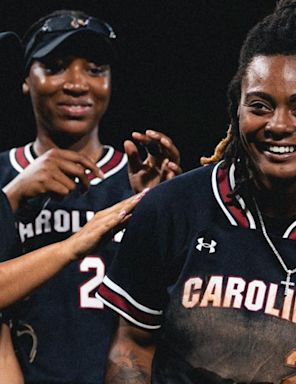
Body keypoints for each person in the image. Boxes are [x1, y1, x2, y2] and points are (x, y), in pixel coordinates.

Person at [97, 1, 296, 383]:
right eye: (260, 106)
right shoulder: (171, 209)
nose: (278, 125)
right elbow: (132, 347)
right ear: (237, 108)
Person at [0, 10, 181, 383]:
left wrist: (160, 212)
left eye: (95, 68)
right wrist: (10, 198)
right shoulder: (4, 177)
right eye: (56, 66)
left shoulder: (140, 180)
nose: (77, 83)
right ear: (24, 79)